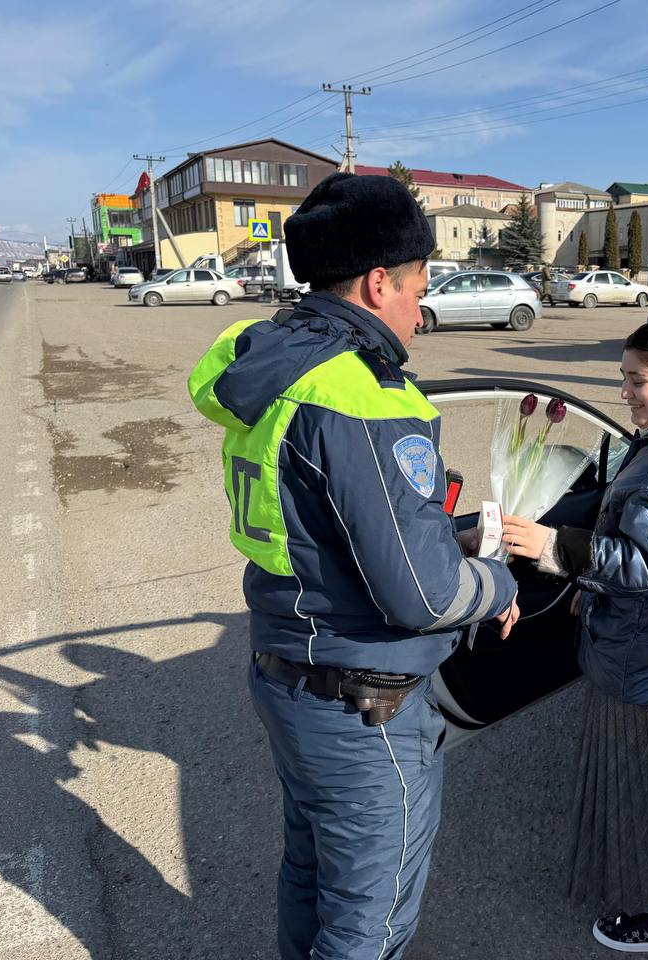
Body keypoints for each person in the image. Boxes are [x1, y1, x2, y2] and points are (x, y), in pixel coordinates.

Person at [188, 172, 519, 960]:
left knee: (310, 874)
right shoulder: (366, 397)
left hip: (288, 676)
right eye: (417, 286)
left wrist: (446, 534)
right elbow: (425, 593)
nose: (419, 309)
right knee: (369, 922)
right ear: (378, 283)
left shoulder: (275, 367)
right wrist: (497, 582)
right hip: (365, 712)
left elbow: (324, 527)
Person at [500, 321, 648, 954]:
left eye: (638, 381)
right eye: (623, 379)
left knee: (644, 799)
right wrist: (590, 582)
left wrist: (558, 547)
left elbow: (647, 564)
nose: (626, 393)